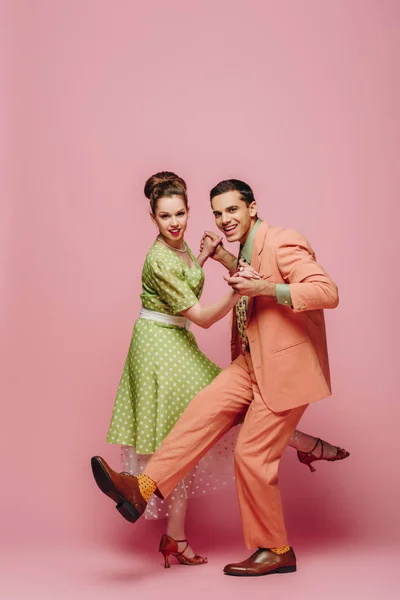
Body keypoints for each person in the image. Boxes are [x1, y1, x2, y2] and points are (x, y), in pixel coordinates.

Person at [93, 176, 348, 573]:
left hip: (285, 368)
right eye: (218, 212)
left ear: (252, 207)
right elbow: (248, 274)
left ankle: (277, 551)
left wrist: (266, 288)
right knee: (201, 410)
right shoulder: (244, 248)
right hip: (251, 360)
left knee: (250, 453)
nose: (225, 219)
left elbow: (326, 291)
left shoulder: (282, 240)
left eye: (232, 209)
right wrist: (224, 260)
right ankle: (140, 488)